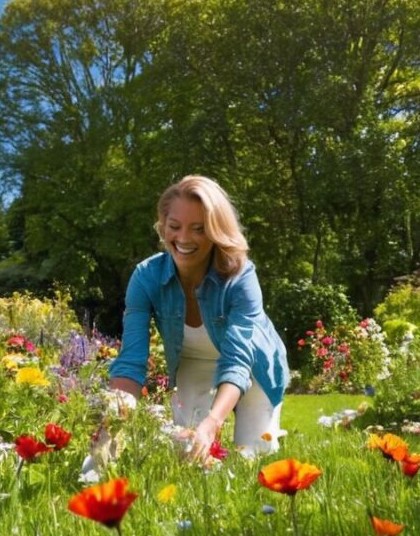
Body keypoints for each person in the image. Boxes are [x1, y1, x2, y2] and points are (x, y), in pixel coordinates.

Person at [108, 175, 289, 461]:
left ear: (216, 231)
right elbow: (131, 362)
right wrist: (112, 422)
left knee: (253, 456)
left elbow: (238, 361)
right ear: (162, 226)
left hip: (254, 366)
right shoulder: (146, 277)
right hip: (193, 363)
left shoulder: (241, 277)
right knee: (188, 453)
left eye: (199, 229)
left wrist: (213, 423)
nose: (183, 239)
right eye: (174, 226)